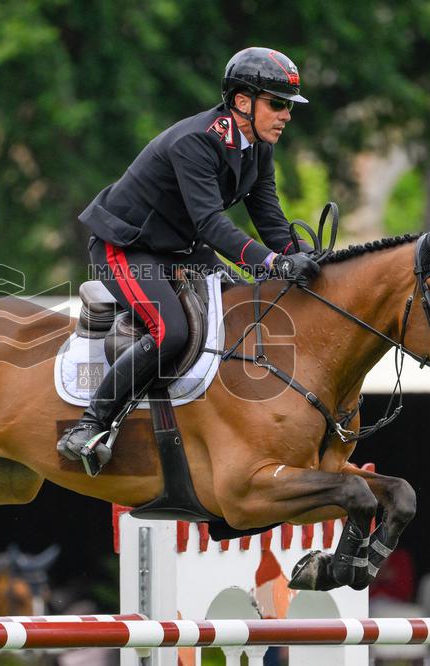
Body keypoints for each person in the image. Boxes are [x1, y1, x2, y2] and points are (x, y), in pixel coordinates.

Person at [57, 47, 321, 471]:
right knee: (172, 331)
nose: (286, 115)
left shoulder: (259, 147)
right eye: (277, 103)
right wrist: (272, 264)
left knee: (244, 310)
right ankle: (90, 425)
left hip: (180, 251)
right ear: (241, 102)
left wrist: (305, 260)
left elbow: (271, 223)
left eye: (288, 106)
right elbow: (212, 226)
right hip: (127, 246)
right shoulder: (196, 141)